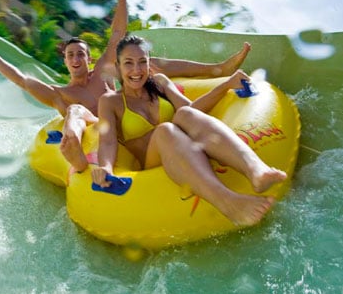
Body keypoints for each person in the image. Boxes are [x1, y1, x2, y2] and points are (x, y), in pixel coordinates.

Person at [0, 0, 252, 173]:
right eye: (71, 55)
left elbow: (117, 34)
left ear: (89, 59)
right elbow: (22, 80)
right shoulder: (59, 93)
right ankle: (72, 146)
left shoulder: (103, 72)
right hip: (102, 133)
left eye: (81, 54)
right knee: (76, 111)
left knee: (148, 66)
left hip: (131, 121)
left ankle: (217, 69)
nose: (76, 59)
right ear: (65, 61)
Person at [91, 35, 287, 226]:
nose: (136, 69)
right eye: (128, 63)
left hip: (183, 148)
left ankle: (256, 171)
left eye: (143, 62)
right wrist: (106, 168)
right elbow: (107, 140)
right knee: (165, 129)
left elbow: (193, 110)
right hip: (153, 162)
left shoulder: (160, 83)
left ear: (149, 64)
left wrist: (225, 85)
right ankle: (228, 202)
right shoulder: (110, 101)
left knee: (184, 113)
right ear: (117, 67)